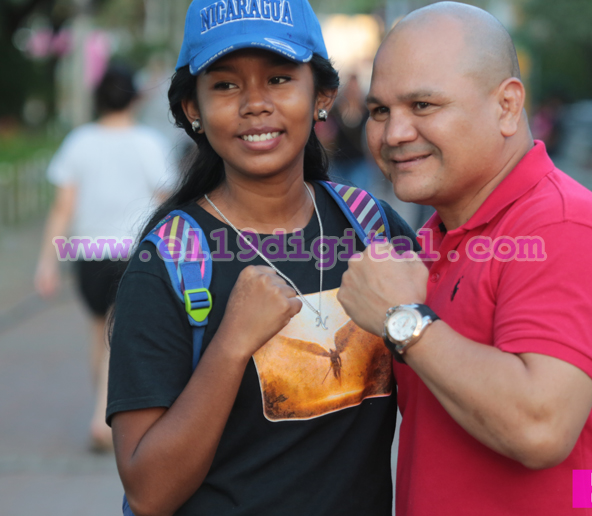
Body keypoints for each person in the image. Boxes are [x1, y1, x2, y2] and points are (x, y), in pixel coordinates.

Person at [337, 3, 592, 515]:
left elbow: (539, 426)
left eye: (422, 105)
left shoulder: (566, 228)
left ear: (507, 106)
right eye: (380, 111)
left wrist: (404, 321)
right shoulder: (444, 236)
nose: (393, 133)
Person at [105, 1, 417, 515]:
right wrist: (230, 345)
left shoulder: (374, 231)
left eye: (278, 79)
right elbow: (148, 491)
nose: (255, 104)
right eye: (225, 85)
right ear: (193, 110)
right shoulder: (169, 262)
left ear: (321, 95)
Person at [34, 65, 176, 452]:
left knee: (98, 333)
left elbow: (63, 207)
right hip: (132, 253)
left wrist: (46, 261)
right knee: (119, 336)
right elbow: (167, 203)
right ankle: (102, 418)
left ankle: (102, 409)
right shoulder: (149, 144)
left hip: (88, 255)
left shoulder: (78, 143)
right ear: (133, 98)